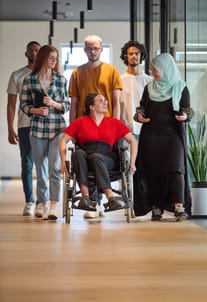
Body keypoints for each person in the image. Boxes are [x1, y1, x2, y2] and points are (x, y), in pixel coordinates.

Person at [133, 53, 193, 221]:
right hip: (151, 136)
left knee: (176, 169)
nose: (153, 72)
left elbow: (187, 109)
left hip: (173, 136)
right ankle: (156, 207)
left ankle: (179, 206)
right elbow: (141, 108)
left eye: (155, 69)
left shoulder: (181, 87)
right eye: (152, 69)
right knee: (154, 172)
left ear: (166, 68)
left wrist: (185, 116)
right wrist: (139, 116)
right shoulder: (150, 88)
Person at [68, 34, 123, 218]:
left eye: (96, 48)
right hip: (85, 127)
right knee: (83, 157)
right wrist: (72, 130)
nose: (93, 51)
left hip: (106, 128)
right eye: (89, 48)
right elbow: (74, 104)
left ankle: (97, 201)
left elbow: (117, 102)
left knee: (97, 157)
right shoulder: (77, 73)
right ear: (84, 50)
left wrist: (115, 127)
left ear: (101, 49)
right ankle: (93, 202)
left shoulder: (112, 71)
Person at [59, 93, 138, 212]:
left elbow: (132, 140)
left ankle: (110, 198)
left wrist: (132, 162)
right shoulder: (80, 121)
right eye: (101, 101)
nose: (105, 102)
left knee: (96, 157)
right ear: (91, 107)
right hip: (85, 157)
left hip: (108, 158)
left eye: (105, 100)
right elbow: (62, 141)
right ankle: (85, 198)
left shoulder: (114, 122)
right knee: (78, 153)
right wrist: (63, 161)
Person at [20, 45, 70, 221]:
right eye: (51, 57)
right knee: (39, 169)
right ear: (42, 58)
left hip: (57, 129)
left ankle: (54, 204)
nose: (54, 61)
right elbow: (24, 105)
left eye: (56, 58)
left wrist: (54, 104)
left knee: (55, 167)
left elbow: (66, 105)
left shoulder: (61, 80)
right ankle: (42, 203)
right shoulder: (29, 80)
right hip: (36, 130)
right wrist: (36, 110)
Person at [7, 41, 41, 216]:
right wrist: (10, 129)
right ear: (26, 53)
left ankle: (43, 201)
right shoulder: (17, 75)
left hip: (44, 125)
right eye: (31, 51)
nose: (35, 53)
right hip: (24, 125)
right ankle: (29, 201)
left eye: (37, 50)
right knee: (27, 164)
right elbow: (11, 105)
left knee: (44, 164)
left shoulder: (47, 73)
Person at [120, 40, 152, 139]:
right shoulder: (119, 80)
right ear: (126, 56)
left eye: (137, 53)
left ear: (141, 56)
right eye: (131, 54)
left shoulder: (150, 81)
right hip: (124, 131)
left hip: (146, 129)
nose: (134, 56)